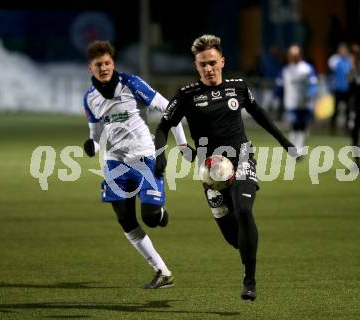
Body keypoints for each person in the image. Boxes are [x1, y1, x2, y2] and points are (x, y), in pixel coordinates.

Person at [153, 34, 298, 301]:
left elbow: (259, 114)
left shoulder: (238, 87)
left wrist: (285, 142)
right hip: (210, 172)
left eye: (212, 62)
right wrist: (159, 153)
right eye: (202, 64)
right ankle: (245, 253)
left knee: (244, 210)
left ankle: (250, 281)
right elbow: (163, 126)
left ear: (222, 61)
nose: (208, 68)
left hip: (242, 157)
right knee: (233, 237)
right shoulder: (187, 96)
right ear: (196, 66)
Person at [82, 40, 188, 289]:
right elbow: (96, 134)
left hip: (144, 156)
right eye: (99, 65)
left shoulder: (131, 83)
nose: (104, 68)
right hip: (114, 163)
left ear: (113, 63)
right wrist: (92, 146)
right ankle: (162, 272)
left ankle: (159, 213)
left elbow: (168, 108)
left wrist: (179, 146)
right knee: (125, 218)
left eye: (108, 63)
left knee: (150, 218)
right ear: (91, 68)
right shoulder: (90, 99)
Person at [275, 44, 318, 151]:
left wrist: (311, 95)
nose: (293, 57)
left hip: (304, 103)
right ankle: (294, 148)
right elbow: (279, 85)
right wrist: (276, 97)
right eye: (291, 54)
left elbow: (313, 83)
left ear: (300, 55)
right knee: (294, 126)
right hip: (291, 103)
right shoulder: (286, 70)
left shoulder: (307, 68)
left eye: (295, 54)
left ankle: (300, 147)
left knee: (302, 126)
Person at [327, 43, 352, 133]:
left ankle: (347, 128)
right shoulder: (335, 60)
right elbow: (331, 73)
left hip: (347, 89)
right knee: (335, 110)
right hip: (338, 88)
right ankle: (332, 128)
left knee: (348, 110)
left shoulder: (350, 61)